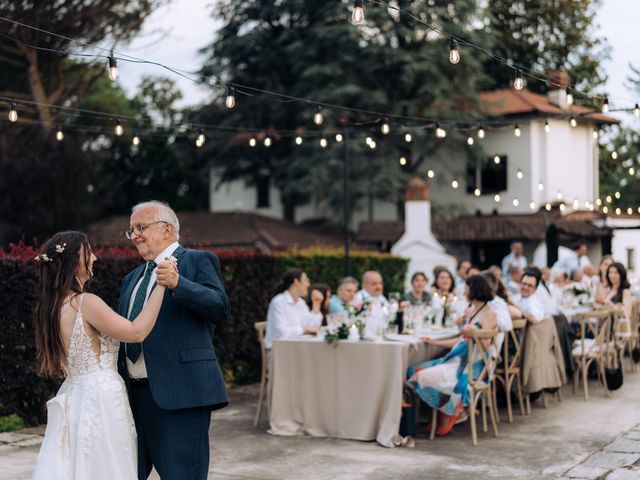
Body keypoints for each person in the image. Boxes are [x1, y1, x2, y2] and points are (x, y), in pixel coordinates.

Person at [32, 231, 171, 479]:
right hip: (100, 397)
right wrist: (161, 286)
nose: (95, 258)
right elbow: (136, 332)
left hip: (74, 392)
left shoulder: (51, 307)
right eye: (89, 253)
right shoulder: (85, 302)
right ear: (75, 261)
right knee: (106, 465)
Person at [116, 200, 230, 479]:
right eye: (131, 231)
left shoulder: (196, 260)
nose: (135, 236)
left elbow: (220, 308)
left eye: (140, 227)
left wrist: (181, 284)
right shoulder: (131, 278)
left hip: (181, 394)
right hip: (131, 397)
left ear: (166, 229)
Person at [400, 275, 497, 441]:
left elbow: (486, 345)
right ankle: (438, 413)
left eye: (466, 288)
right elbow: (460, 340)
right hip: (458, 358)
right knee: (412, 369)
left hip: (473, 366)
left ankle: (450, 410)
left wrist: (474, 332)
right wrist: (434, 342)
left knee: (419, 376)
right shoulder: (472, 310)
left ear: (474, 290)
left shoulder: (488, 313)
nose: (464, 291)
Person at [265, 269, 322, 349]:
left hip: (297, 348)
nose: (308, 285)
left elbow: (312, 327)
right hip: (278, 351)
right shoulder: (278, 302)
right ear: (296, 282)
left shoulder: (300, 302)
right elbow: (283, 333)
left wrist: (316, 305)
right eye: (306, 280)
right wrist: (304, 329)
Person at [603, 262, 633, 327]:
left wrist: (611, 305)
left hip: (617, 329)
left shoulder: (625, 292)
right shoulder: (608, 291)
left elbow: (627, 314)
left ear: (621, 274)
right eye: (610, 272)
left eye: (616, 272)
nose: (612, 275)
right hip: (604, 326)